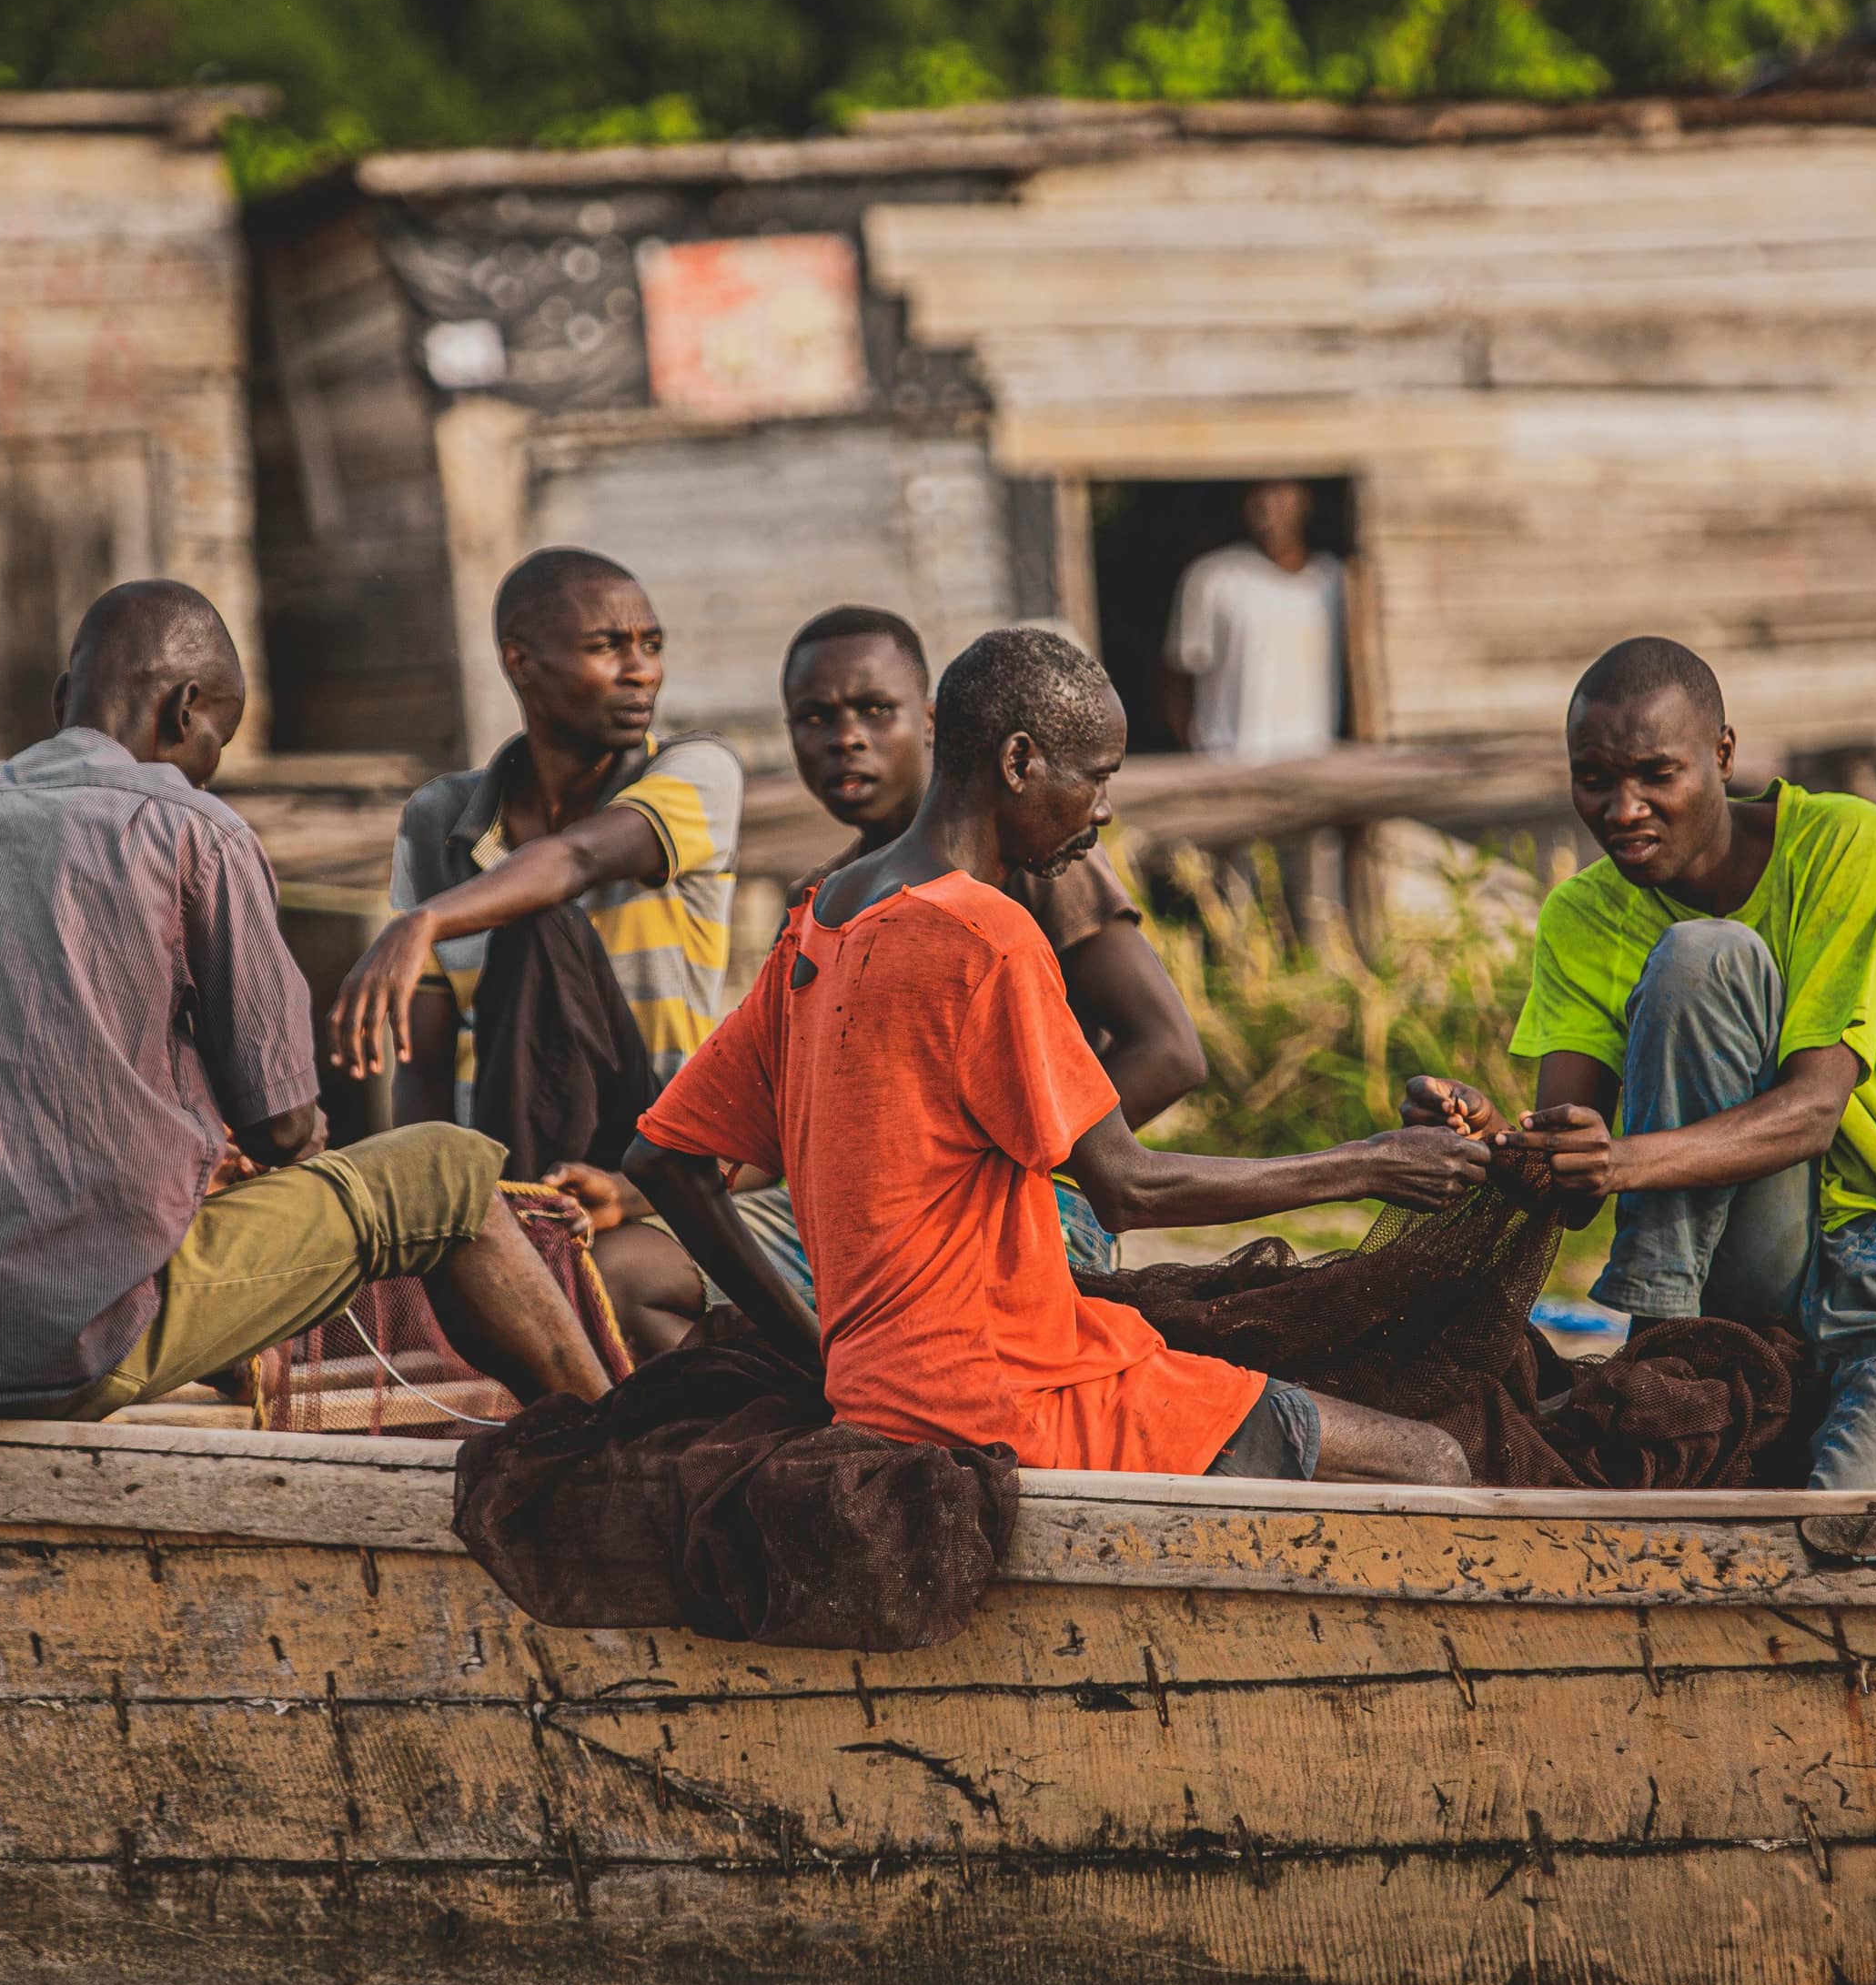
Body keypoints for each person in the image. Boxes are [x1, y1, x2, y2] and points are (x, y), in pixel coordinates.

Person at [626, 625, 1484, 1486]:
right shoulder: (988, 934)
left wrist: (819, 1355)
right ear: (1020, 762)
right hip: (1023, 1397)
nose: (1105, 810)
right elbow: (1127, 1187)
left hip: (874, 1396)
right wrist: (1366, 1164)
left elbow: (663, 1160)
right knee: (1432, 1461)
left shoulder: (821, 919)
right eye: (1099, 778)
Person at [0, 579, 608, 1419]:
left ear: (66, 700)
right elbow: (282, 1127)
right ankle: (621, 1441)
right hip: (65, 1342)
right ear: (183, 711)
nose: (211, 764)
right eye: (218, 738)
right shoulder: (193, 830)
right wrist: (279, 1134)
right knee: (448, 1171)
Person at [1402, 638, 1876, 1490]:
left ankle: (1672, 1363)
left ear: (1723, 755)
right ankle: (1669, 1349)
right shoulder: (1581, 916)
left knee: (1845, 1514)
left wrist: (1622, 1161)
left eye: (1656, 775)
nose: (1623, 808)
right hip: (1751, 1279)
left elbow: (1813, 1110)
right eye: (1594, 779)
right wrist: (1498, 1139)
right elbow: (1567, 1192)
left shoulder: (1840, 843)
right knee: (1699, 959)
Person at [551, 604, 1207, 1304]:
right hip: (870, 1217)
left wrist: (1004, 1161)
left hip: (1031, 1201)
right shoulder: (822, 905)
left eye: (873, 710)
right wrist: (627, 1193)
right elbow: (780, 1122)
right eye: (816, 719)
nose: (846, 740)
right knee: (620, 1274)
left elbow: (1168, 1053)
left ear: (931, 724)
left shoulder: (1032, 855)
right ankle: (818, 1384)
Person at [329, 547, 743, 1358]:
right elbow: (423, 1061)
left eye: (650, 645)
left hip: (657, 1158)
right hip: (508, 1147)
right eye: (606, 648)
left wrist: (423, 923)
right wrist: (425, 1227)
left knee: (537, 922)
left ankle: (544, 1235)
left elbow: (576, 860)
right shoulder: (440, 818)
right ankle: (505, 1225)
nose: (640, 672)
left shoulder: (694, 774)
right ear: (521, 663)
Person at [1165, 480, 1344, 762]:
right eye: (1257, 493)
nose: (1266, 506)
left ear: (1307, 499)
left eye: (1281, 491)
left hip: (1315, 762)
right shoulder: (1213, 577)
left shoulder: (1333, 579)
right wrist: (1197, 760)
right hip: (1228, 762)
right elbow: (1179, 677)